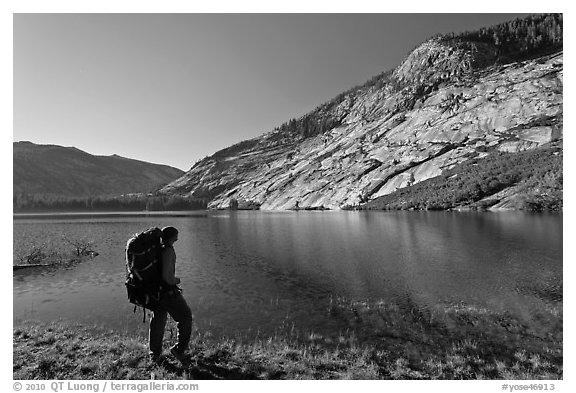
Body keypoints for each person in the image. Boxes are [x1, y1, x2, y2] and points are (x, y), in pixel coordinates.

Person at [149, 226, 193, 363]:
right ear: (173, 237)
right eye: (176, 234)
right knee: (185, 317)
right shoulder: (168, 251)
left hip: (156, 291)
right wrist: (176, 280)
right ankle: (178, 350)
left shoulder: (159, 249)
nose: (178, 236)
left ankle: (154, 354)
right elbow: (167, 277)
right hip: (167, 292)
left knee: (158, 320)